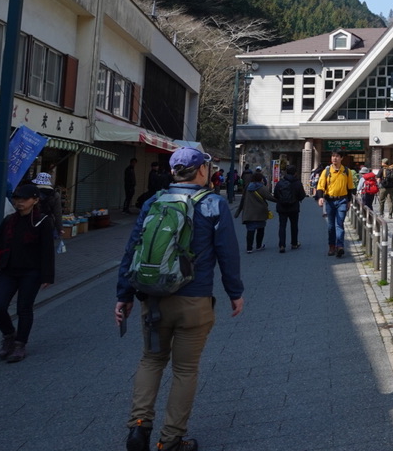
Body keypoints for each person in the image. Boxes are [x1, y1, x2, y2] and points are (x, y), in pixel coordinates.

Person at [115, 147, 244, 451]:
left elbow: (132, 249)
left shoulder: (153, 202)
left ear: (173, 172)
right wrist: (234, 293)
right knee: (185, 370)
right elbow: (228, 254)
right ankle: (170, 440)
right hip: (194, 300)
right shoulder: (214, 204)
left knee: (151, 360)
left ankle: (138, 427)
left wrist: (124, 294)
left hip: (154, 298)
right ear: (201, 171)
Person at [0, 184, 55, 364]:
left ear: (35, 200)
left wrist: (47, 276)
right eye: (17, 199)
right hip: (8, 270)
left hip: (31, 272)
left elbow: (47, 251)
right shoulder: (9, 220)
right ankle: (9, 336)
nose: (19, 202)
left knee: (24, 308)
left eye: (24, 199)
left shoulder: (42, 221)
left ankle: (20, 344)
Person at [316, 151, 352, 256]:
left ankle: (340, 246)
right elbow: (320, 186)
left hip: (342, 201)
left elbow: (350, 188)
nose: (334, 158)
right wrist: (320, 198)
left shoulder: (346, 171)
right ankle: (331, 246)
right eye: (333, 156)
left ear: (341, 158)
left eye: (337, 156)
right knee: (331, 226)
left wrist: (349, 201)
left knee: (339, 223)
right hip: (330, 201)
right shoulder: (326, 171)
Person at [233, 172, 275, 253]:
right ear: (261, 179)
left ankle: (249, 248)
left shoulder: (247, 187)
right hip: (260, 211)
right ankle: (258, 246)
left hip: (249, 211)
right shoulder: (262, 187)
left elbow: (243, 199)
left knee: (250, 230)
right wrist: (279, 201)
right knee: (260, 229)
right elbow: (269, 197)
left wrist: (238, 211)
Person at [273, 165, 306, 253]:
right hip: (294, 207)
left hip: (282, 207)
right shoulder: (298, 183)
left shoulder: (280, 183)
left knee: (282, 226)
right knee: (294, 225)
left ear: (286, 172)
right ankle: (294, 243)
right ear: (295, 173)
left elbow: (275, 194)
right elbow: (302, 195)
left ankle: (282, 245)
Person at [32, 171, 62, 240]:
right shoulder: (55, 194)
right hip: (48, 221)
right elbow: (58, 213)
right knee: (46, 243)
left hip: (32, 219)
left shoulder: (32, 192)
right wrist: (59, 228)